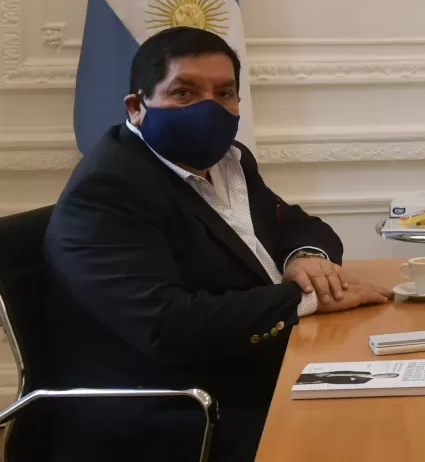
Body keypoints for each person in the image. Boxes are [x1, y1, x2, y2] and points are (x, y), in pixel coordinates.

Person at [44, 27, 392, 462]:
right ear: (137, 107)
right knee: (375, 434)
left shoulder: (230, 160)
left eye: (224, 93)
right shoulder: (109, 190)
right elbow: (168, 327)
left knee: (409, 397)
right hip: (176, 408)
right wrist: (305, 298)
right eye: (185, 93)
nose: (210, 108)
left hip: (260, 364)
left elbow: (299, 225)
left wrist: (305, 258)